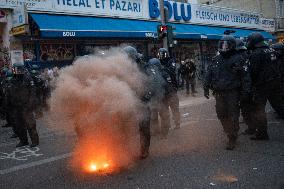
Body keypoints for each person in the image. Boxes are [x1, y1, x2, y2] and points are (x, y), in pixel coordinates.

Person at [204, 35, 251, 150]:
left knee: (233, 115)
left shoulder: (239, 58)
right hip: (219, 92)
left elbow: (245, 77)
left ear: (232, 46)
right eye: (222, 45)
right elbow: (209, 73)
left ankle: (232, 137)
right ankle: (228, 131)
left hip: (232, 93)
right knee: (221, 114)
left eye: (227, 45)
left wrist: (246, 92)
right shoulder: (216, 59)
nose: (224, 48)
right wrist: (205, 87)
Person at [247, 33, 284, 140]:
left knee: (259, 109)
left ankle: (262, 134)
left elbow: (253, 72)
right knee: (278, 105)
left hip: (262, 85)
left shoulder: (256, 54)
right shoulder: (271, 50)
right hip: (275, 82)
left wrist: (251, 86)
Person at [123, 46, 156, 159]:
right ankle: (124, 151)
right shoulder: (123, 67)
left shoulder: (144, 66)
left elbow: (153, 82)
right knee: (125, 126)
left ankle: (144, 149)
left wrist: (147, 96)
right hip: (128, 102)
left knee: (144, 127)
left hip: (142, 102)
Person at [6, 63, 39, 147]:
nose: (17, 71)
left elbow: (33, 92)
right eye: (16, 70)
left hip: (26, 106)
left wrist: (30, 104)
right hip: (16, 107)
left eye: (19, 69)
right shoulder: (12, 81)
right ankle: (23, 141)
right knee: (19, 125)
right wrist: (8, 106)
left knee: (30, 125)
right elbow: (8, 94)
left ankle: (35, 141)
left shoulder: (28, 79)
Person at [235, 39, 256, 135]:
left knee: (246, 108)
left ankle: (251, 128)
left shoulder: (239, 58)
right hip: (250, 86)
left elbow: (244, 75)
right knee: (250, 107)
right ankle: (253, 125)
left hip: (244, 87)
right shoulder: (248, 55)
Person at [158, 48, 181, 131]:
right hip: (163, 91)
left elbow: (171, 70)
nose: (160, 56)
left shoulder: (171, 61)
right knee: (164, 110)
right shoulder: (158, 62)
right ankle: (167, 125)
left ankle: (177, 123)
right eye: (159, 54)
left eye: (162, 54)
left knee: (175, 108)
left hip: (172, 89)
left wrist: (162, 68)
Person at [148, 58, 171, 138]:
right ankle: (156, 132)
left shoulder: (164, 74)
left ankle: (164, 133)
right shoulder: (148, 75)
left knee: (164, 116)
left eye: (153, 66)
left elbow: (168, 87)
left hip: (163, 99)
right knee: (153, 117)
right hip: (153, 100)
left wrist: (167, 98)